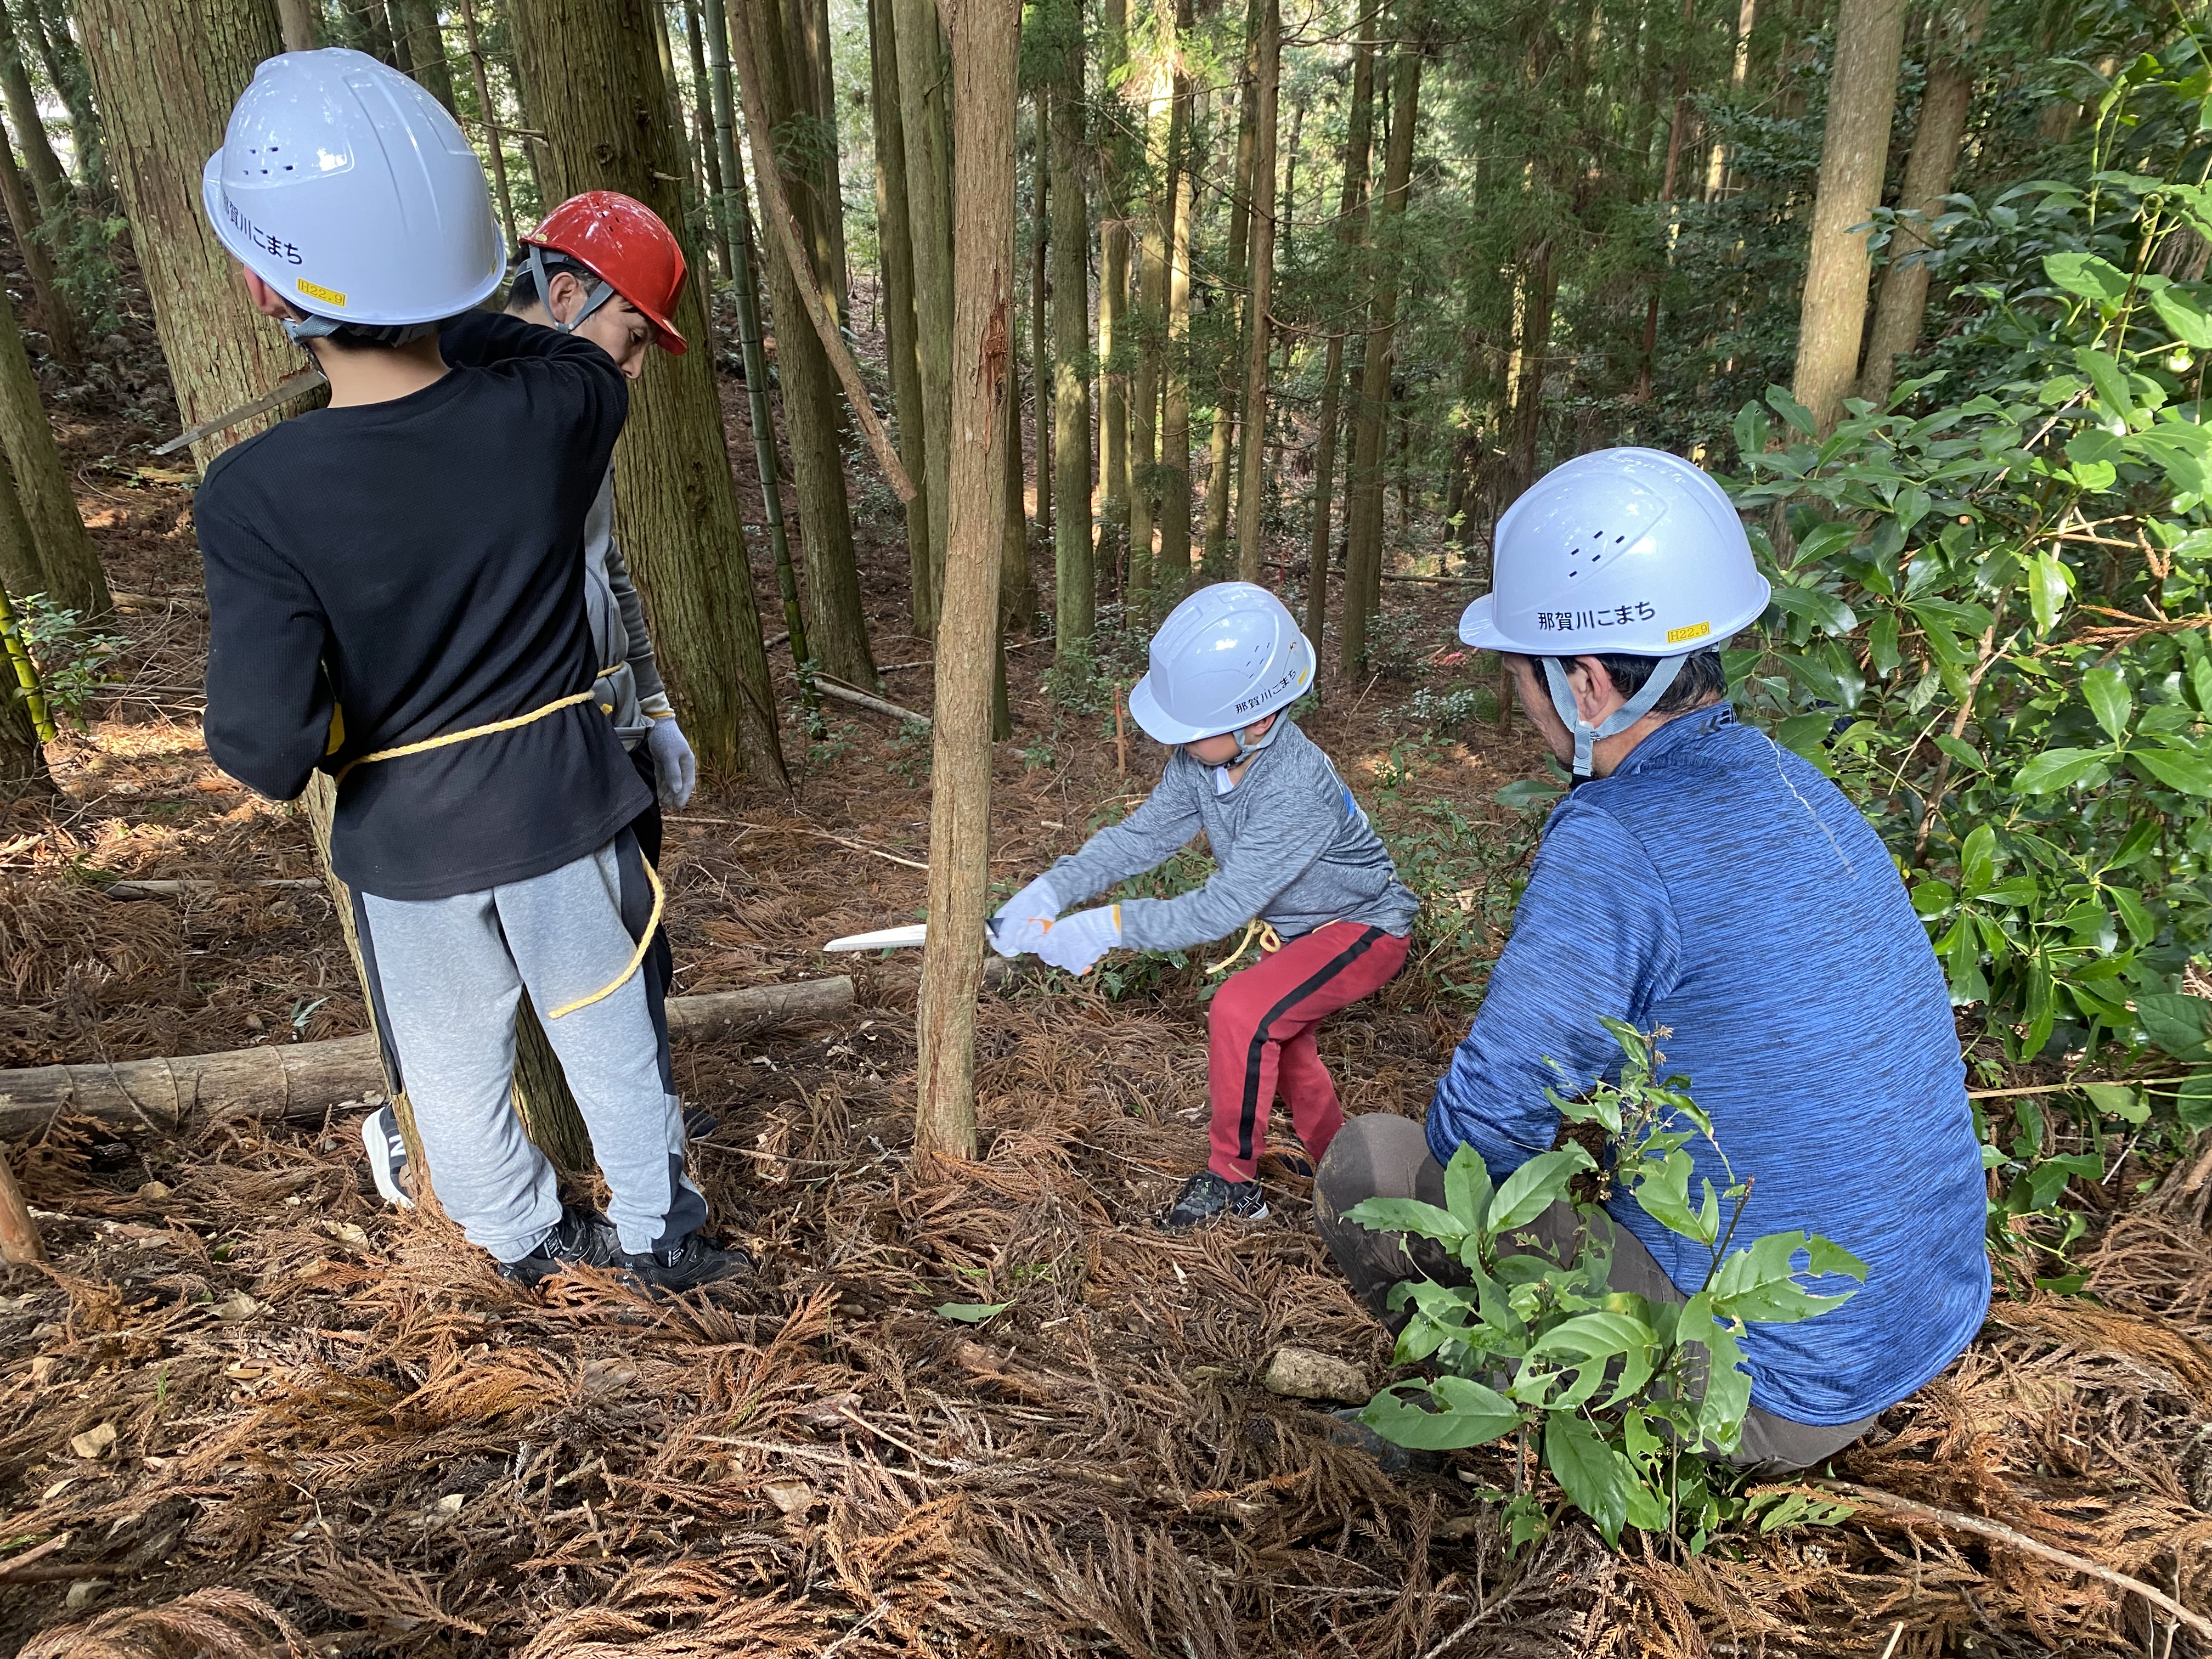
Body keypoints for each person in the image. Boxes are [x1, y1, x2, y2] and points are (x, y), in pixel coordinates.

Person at [1313, 447, 1989, 1472]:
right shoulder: (1805, 787)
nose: (1522, 711)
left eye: (1519, 683)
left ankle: (1462, 1411)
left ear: (1586, 684)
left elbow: (1484, 1129)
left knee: (1375, 1165)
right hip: (1915, 1322)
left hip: (1771, 1391)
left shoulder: (1617, 837)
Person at [194, 49, 744, 1293]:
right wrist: (456, 306)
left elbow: (266, 743)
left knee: (450, 1073)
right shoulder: (553, 417)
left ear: (259, 288)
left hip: (411, 849)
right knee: (611, 1042)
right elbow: (561, 356)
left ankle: (522, 1245)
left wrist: (351, 722)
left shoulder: (253, 498)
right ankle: (666, 1241)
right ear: (472, 274)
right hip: (562, 806)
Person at [359, 193, 705, 1205]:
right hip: (509, 758)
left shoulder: (570, 418)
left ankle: (655, 1151)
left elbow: (611, 569)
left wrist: (654, 701)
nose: (633, 368)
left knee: (639, 958)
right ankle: (445, 1143)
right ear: (564, 294)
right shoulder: (455, 413)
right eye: (630, 336)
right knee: (489, 989)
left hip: (609, 733)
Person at [994, 583, 1420, 1229]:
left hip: (1361, 928)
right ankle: (1345, 1170)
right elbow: (1144, 837)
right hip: (1299, 931)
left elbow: (1218, 909)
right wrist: (1054, 889)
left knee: (1242, 1010)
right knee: (1286, 1041)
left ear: (1257, 720)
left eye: (1194, 731)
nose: (1183, 742)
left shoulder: (1294, 786)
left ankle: (1233, 1185)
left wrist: (1107, 925)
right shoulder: (1202, 762)